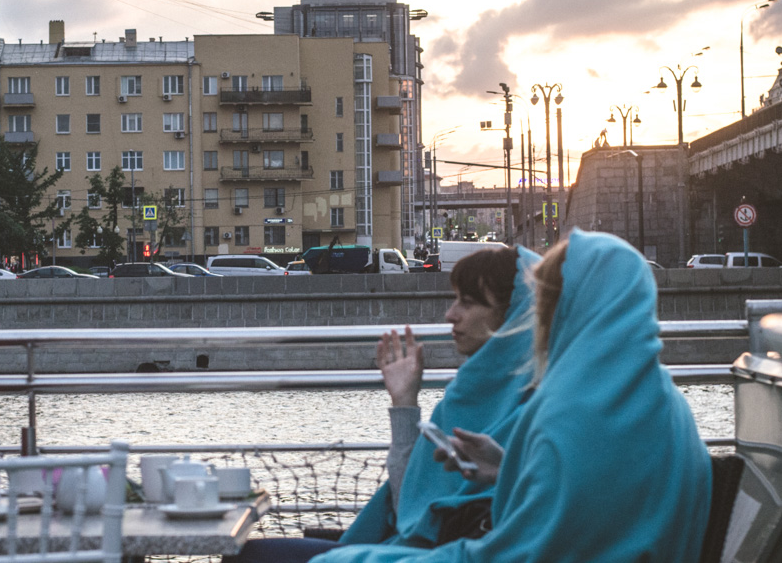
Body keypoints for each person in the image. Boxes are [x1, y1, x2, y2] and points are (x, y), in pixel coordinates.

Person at [311, 230, 712, 563]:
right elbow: (585, 509)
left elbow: (515, 551)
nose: (538, 316)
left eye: (546, 303)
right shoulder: (663, 402)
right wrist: (507, 471)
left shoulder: (569, 417)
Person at [226, 246, 538, 563]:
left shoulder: (529, 406)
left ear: (513, 314)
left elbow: (416, 515)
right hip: (428, 547)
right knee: (247, 555)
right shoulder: (471, 393)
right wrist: (404, 400)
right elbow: (413, 507)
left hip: (438, 553)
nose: (450, 314)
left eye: (467, 303)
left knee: (249, 557)